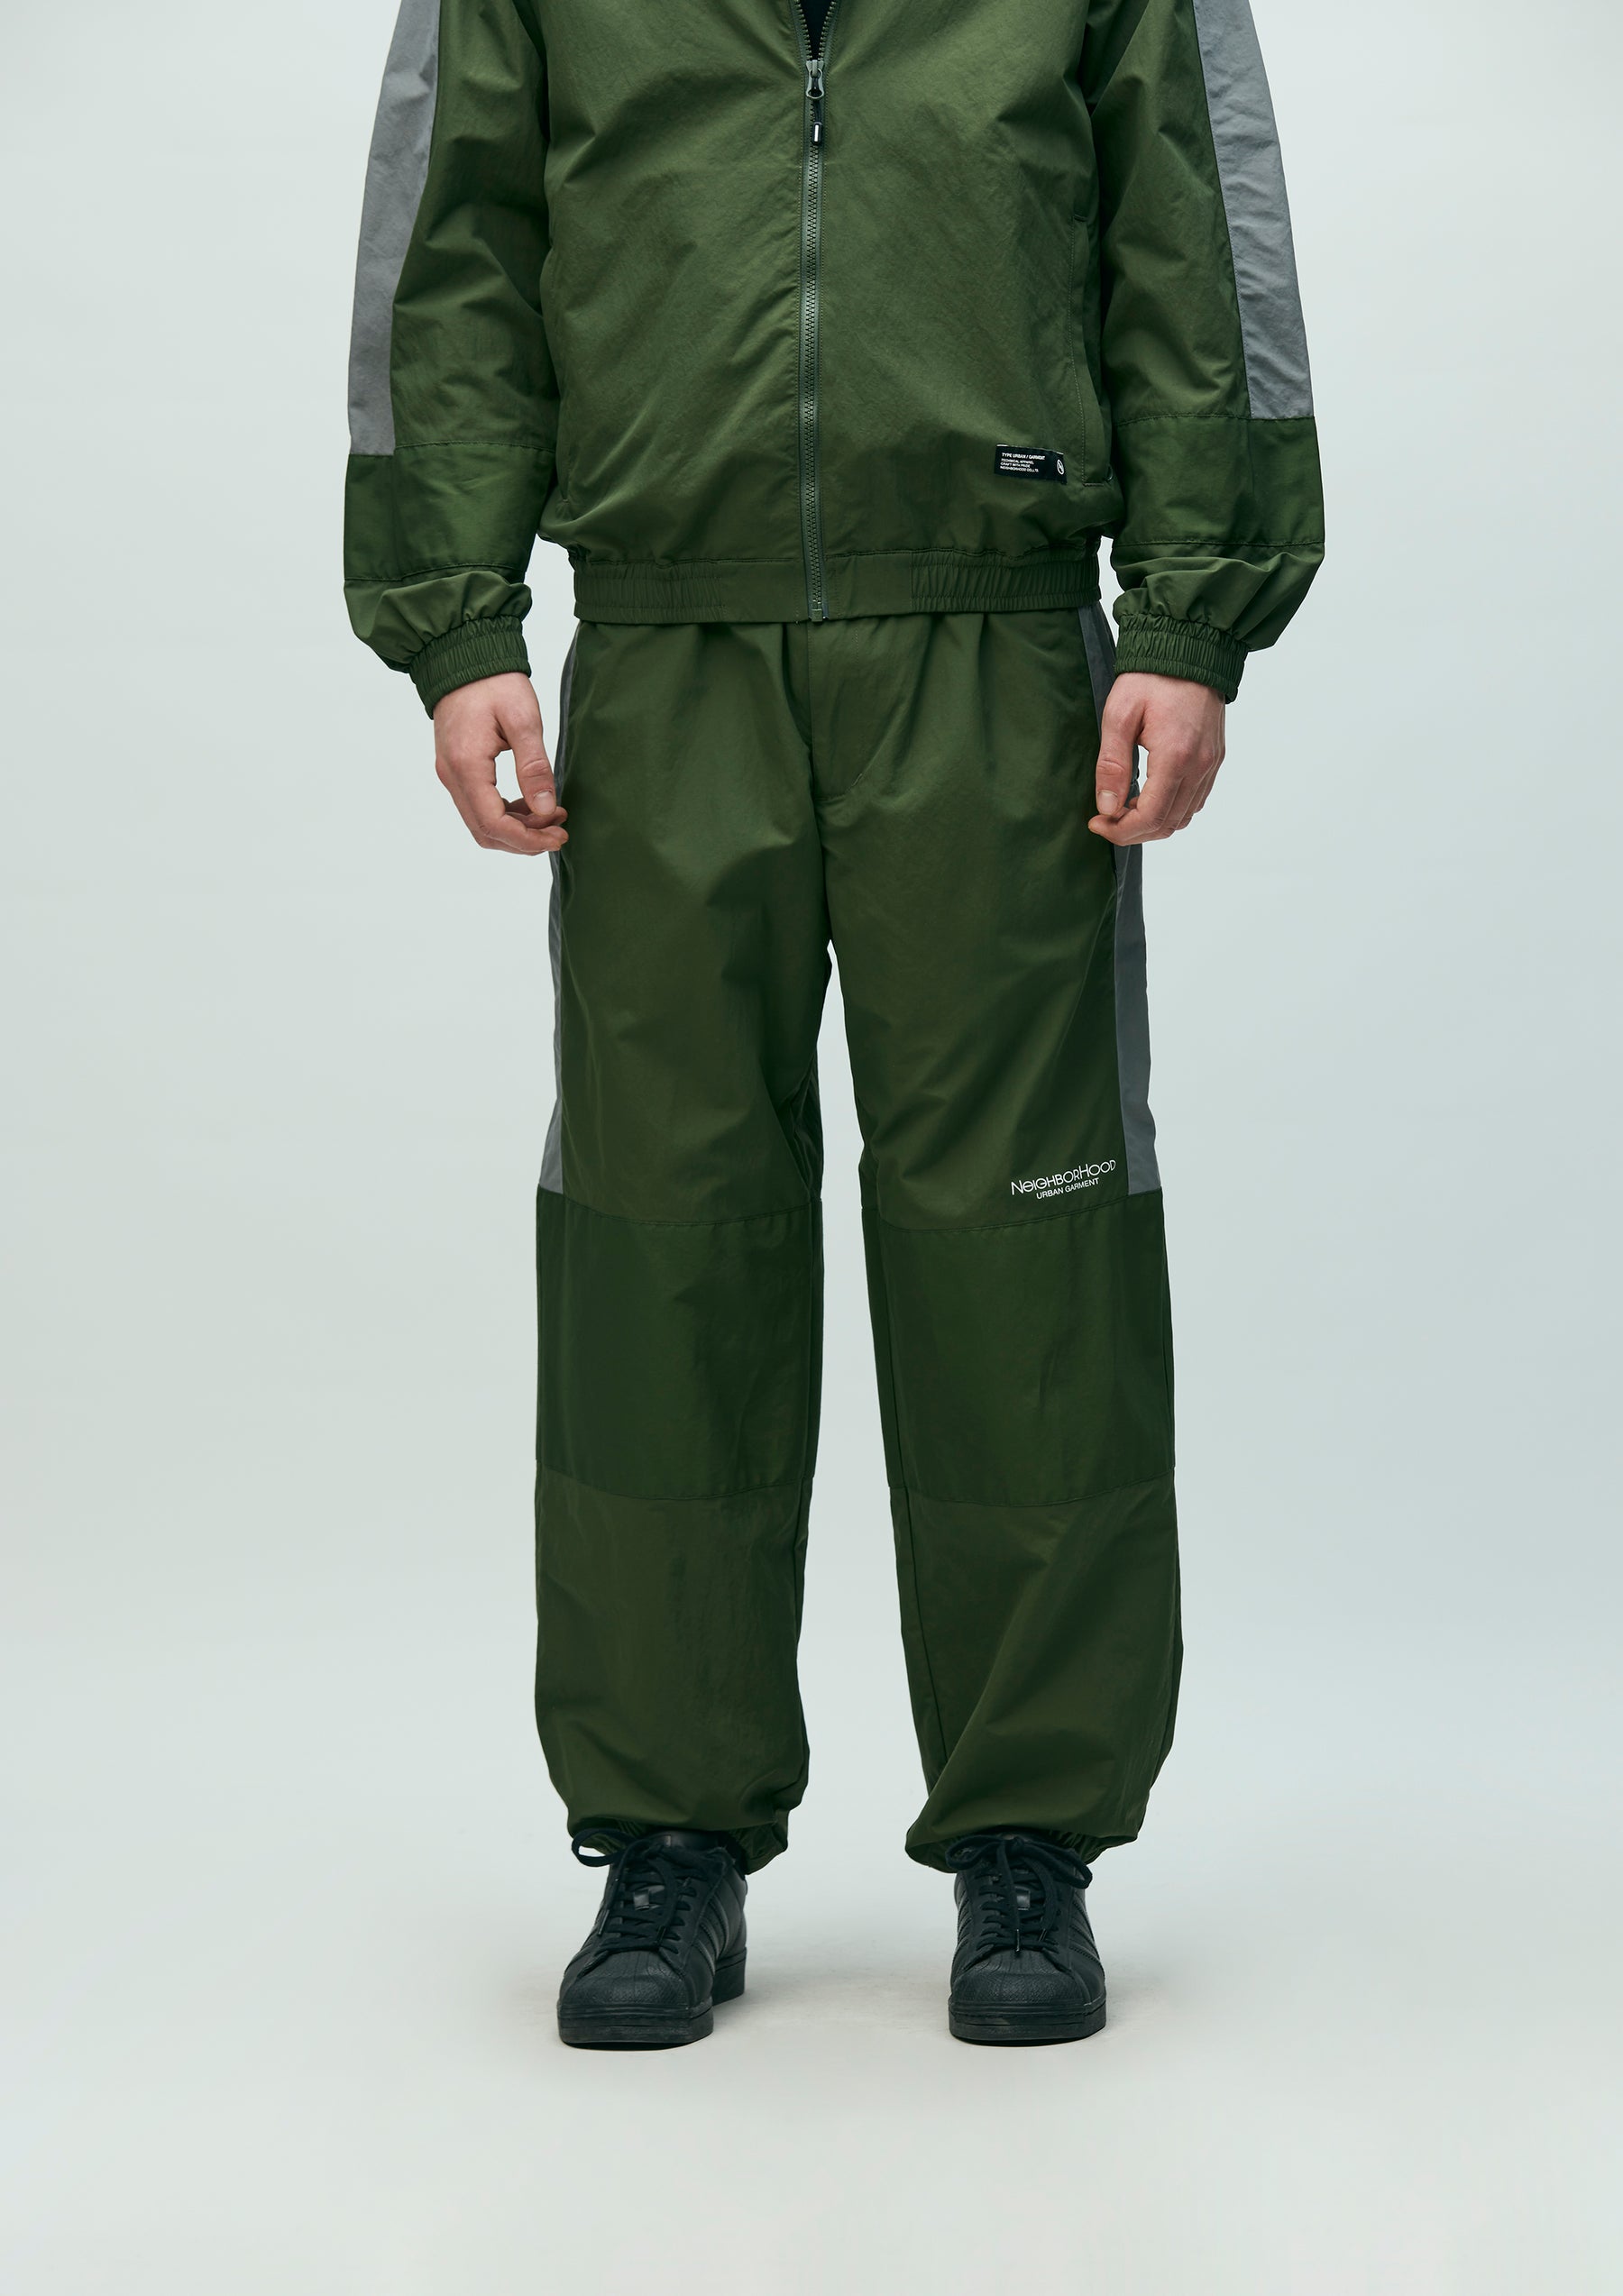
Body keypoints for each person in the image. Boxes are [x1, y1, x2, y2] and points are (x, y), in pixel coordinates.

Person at [344, 0, 1322, 2049]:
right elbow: (452, 241)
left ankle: (1029, 1838)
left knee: (1024, 1242)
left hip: (999, 642)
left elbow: (1195, 226)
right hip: (663, 641)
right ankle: (666, 1835)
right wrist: (455, 613)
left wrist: (1192, 608)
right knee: (660, 1233)